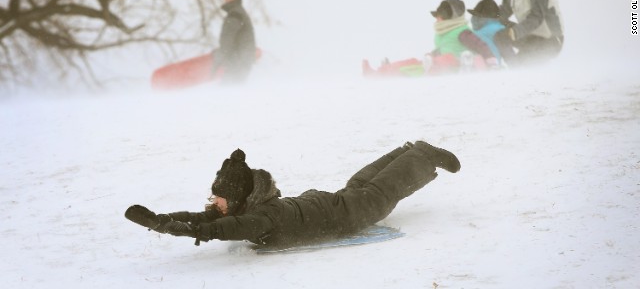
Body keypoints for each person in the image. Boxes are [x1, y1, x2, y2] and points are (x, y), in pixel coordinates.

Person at [125, 140, 461, 249]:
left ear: (239, 197)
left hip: (345, 214)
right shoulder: (248, 206)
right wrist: (163, 221)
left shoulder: (259, 218)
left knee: (379, 191)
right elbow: (203, 219)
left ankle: (422, 155)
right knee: (362, 184)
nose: (215, 204)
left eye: (220, 198)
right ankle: (408, 150)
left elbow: (215, 230)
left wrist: (182, 230)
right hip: (327, 204)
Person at [427, 0, 498, 74]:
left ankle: (467, 66)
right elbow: (441, 49)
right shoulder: (441, 35)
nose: (437, 19)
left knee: (448, 59)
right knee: (437, 60)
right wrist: (431, 56)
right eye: (437, 17)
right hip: (449, 67)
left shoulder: (462, 32)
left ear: (449, 17)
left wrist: (491, 61)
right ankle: (426, 68)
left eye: (440, 16)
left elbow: (479, 45)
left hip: (464, 62)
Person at [211, 0, 256, 83]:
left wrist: (219, 58)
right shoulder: (239, 12)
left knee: (228, 92)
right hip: (241, 62)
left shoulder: (235, 14)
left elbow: (227, 40)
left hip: (236, 63)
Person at [467, 0, 515, 67]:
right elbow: (509, 54)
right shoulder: (501, 28)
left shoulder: (477, 33)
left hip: (481, 68)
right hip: (494, 67)